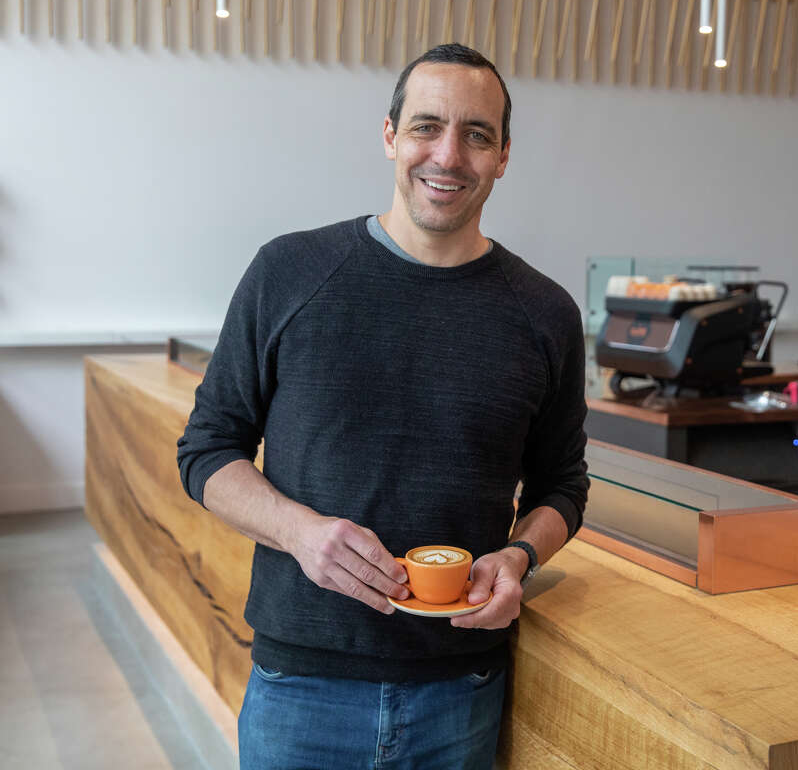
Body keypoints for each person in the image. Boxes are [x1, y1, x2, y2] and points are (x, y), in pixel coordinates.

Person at [176, 43, 589, 768]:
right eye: (427, 127)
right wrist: (300, 533)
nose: (449, 155)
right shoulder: (289, 272)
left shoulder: (545, 314)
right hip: (300, 686)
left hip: (461, 689)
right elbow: (207, 449)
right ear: (391, 135)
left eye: (477, 135)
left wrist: (520, 556)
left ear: (503, 156)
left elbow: (564, 483)